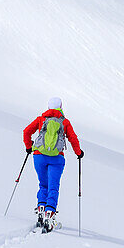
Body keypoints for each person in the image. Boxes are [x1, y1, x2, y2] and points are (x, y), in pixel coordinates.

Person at [23, 97, 83, 231]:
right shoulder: (65, 122)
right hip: (56, 158)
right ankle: (50, 216)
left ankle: (41, 210)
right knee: (53, 187)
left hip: (39, 156)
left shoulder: (41, 119)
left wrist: (28, 146)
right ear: (61, 107)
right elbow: (73, 138)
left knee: (43, 184)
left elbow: (26, 131)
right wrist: (78, 153)